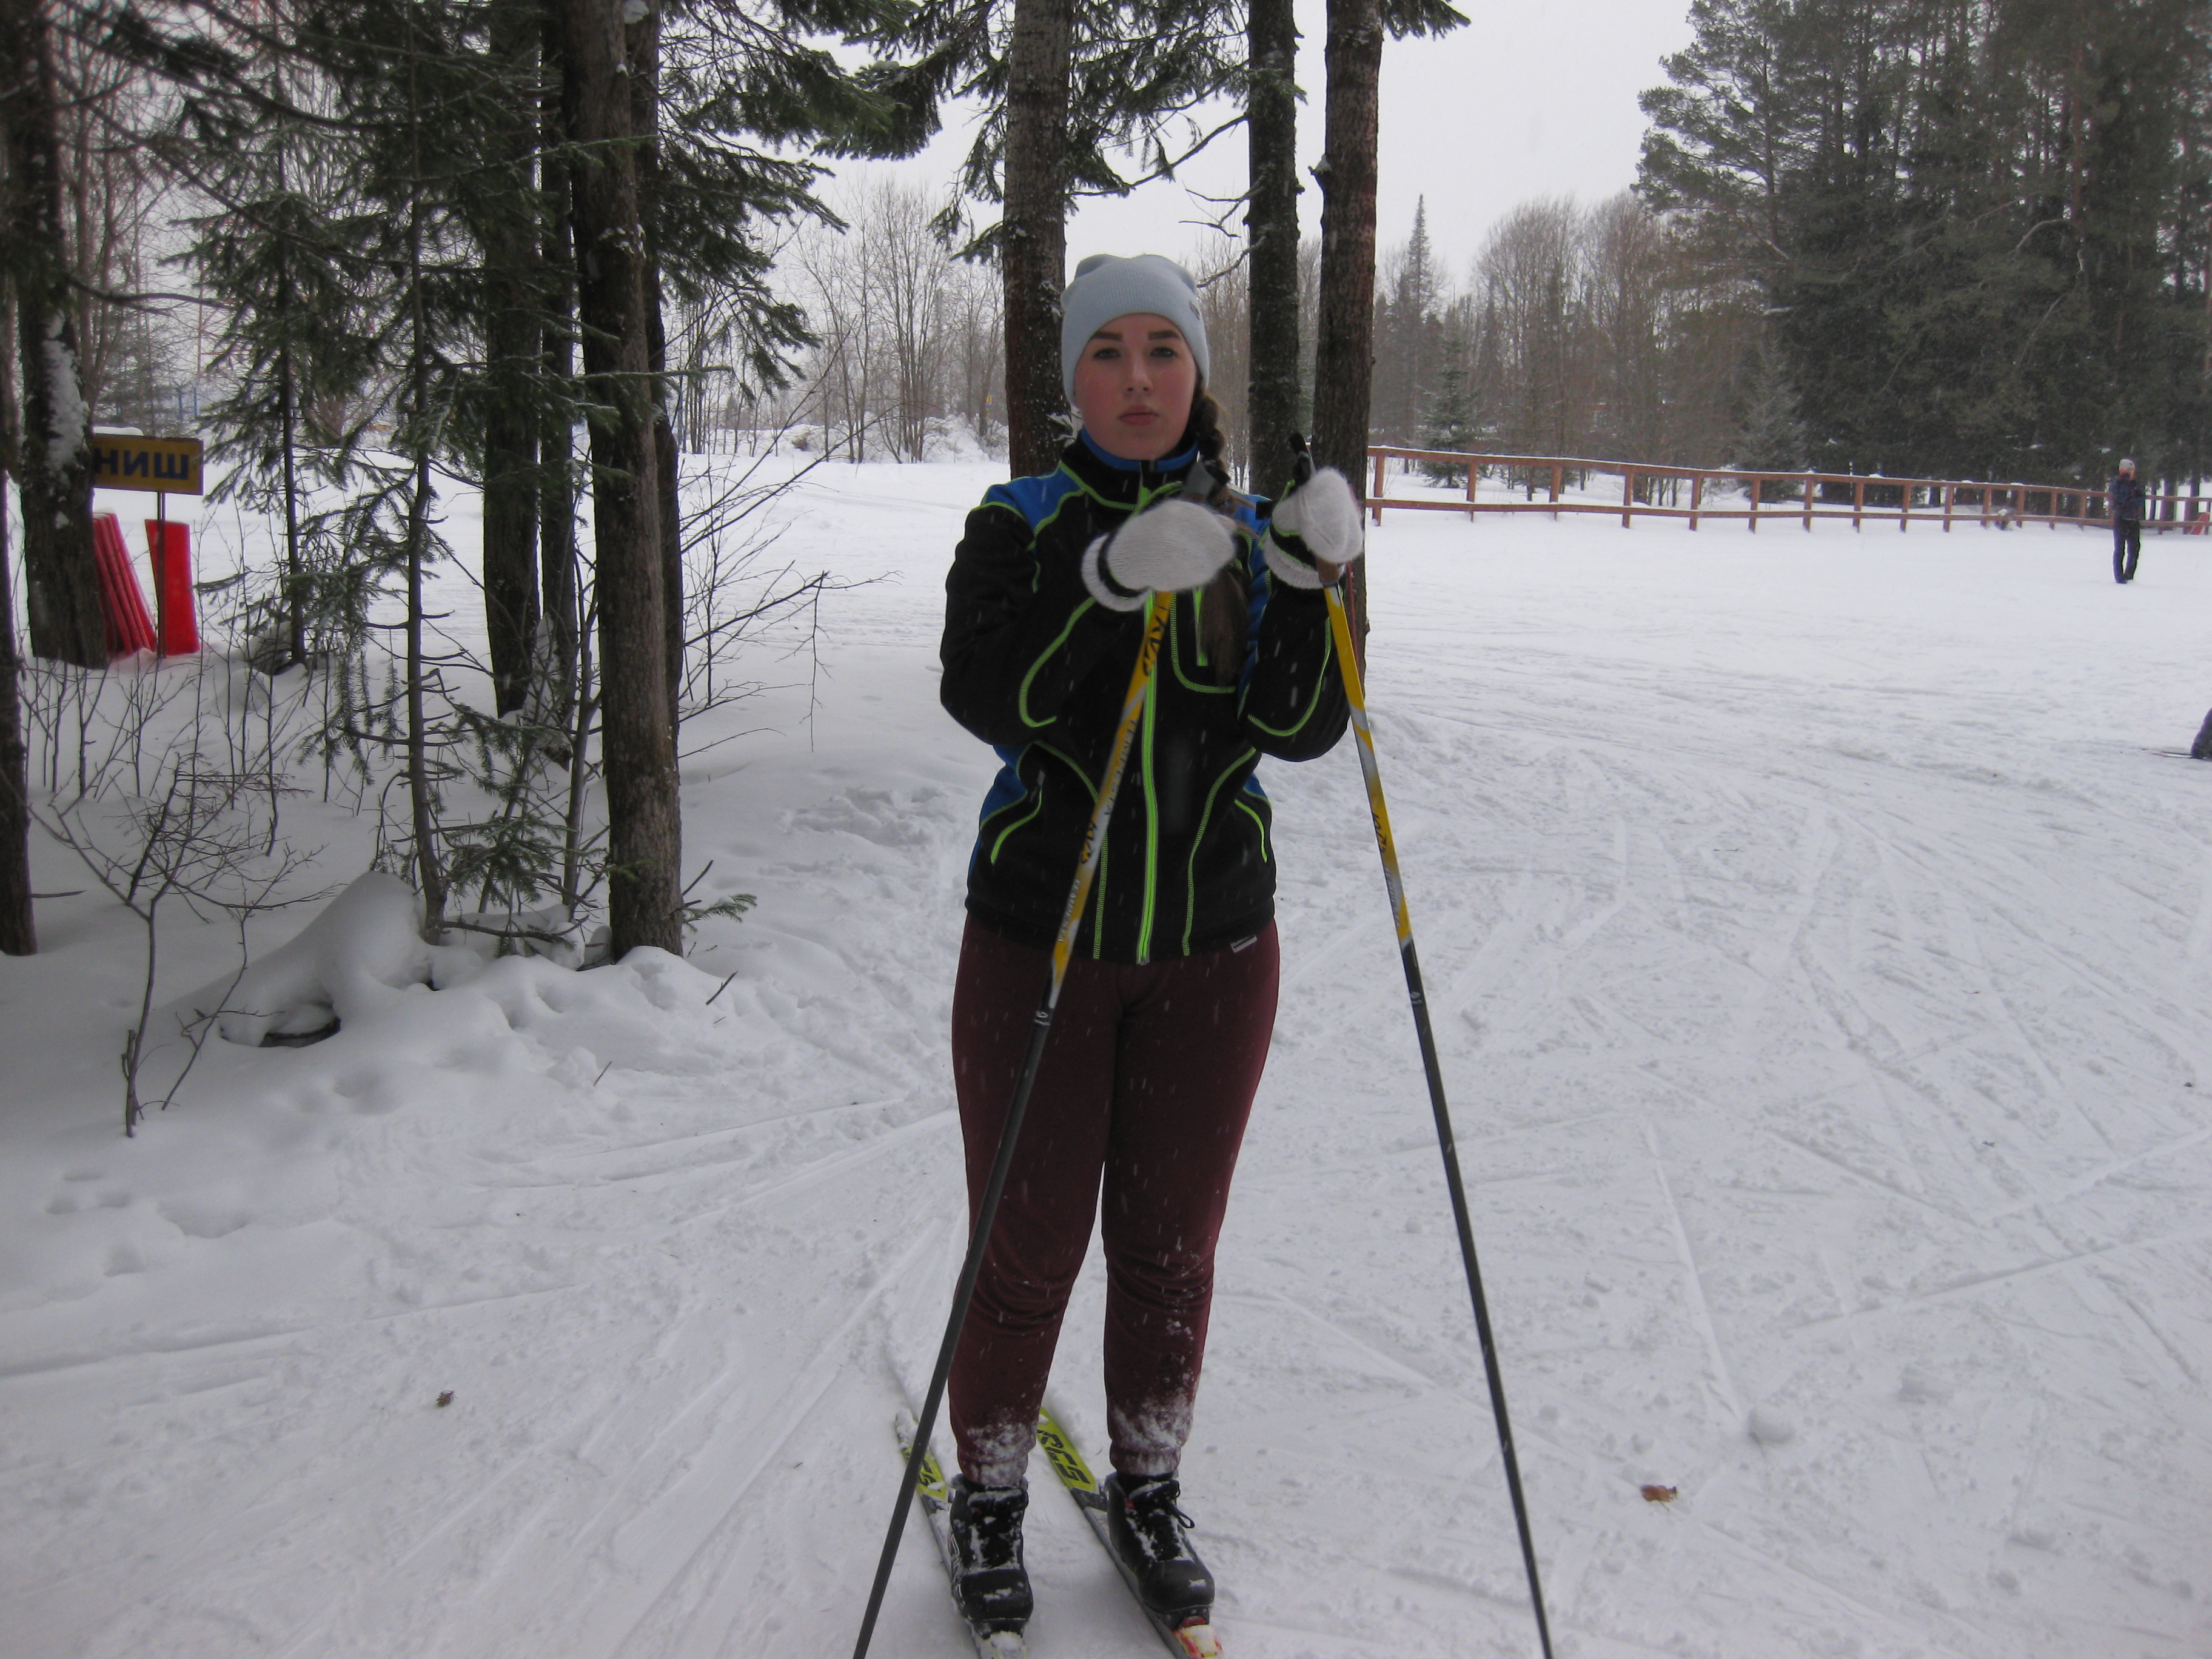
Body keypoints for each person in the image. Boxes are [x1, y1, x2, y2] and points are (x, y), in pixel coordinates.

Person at [934, 253, 1362, 1638]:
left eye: (1161, 350)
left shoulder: (1243, 529)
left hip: (1213, 951)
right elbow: (990, 696)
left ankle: (1150, 1477)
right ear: (1073, 375)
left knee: (1171, 1248)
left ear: (1196, 372)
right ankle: (988, 1492)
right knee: (1028, 1246)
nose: (1135, 378)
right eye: (1107, 351)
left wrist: (1305, 575)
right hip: (1042, 943)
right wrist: (1107, 578)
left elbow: (1298, 726)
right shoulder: (1018, 520)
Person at [2111, 457, 2144, 583]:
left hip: (2134, 520)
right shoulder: (2118, 483)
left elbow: (2141, 499)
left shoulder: (2136, 483)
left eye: (2132, 470)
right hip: (2121, 520)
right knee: (2120, 549)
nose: (2131, 472)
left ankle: (2129, 575)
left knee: (2135, 548)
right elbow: (2120, 499)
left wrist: (2132, 501)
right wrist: (2130, 502)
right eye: (2129, 470)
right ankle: (2119, 577)